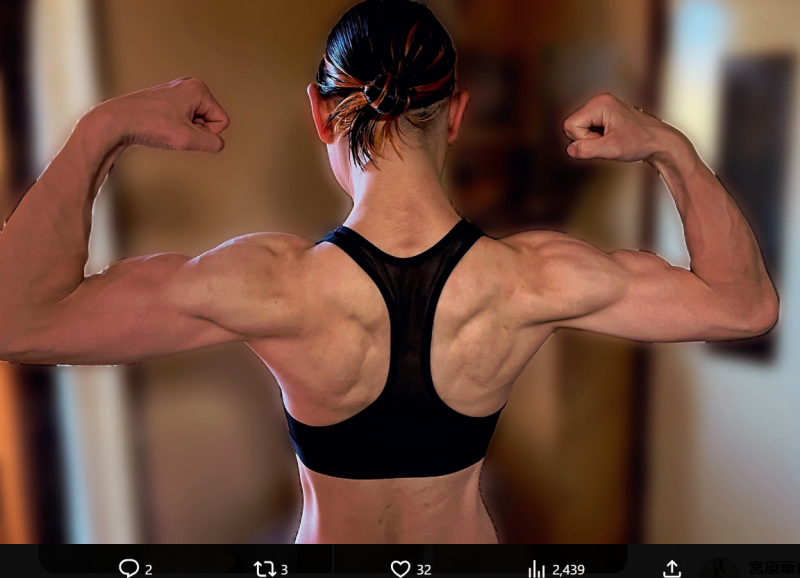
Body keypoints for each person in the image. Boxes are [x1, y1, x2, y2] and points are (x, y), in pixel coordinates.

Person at [0, 0, 778, 544]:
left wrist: (101, 130)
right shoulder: (532, 279)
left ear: (320, 113)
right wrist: (668, 147)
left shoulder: (268, 285)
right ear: (456, 114)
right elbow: (743, 305)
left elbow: (19, 318)